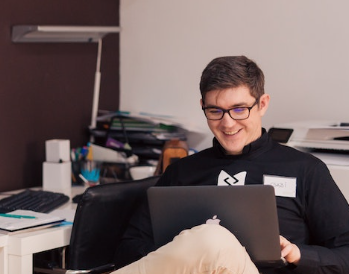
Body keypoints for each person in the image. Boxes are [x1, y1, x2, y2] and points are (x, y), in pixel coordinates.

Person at [113, 56, 349, 274]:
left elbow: (346, 253)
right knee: (208, 240)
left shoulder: (306, 170)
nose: (227, 123)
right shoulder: (182, 171)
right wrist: (182, 250)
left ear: (263, 104)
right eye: (215, 110)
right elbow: (129, 249)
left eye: (239, 109)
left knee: (215, 239)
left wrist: (297, 255)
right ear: (202, 106)